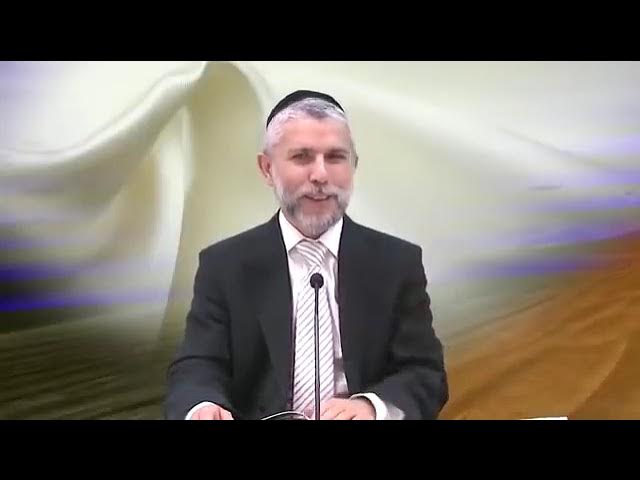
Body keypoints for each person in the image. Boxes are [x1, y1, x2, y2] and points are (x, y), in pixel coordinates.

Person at [165, 90, 448, 420]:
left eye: (336, 157)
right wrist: (203, 406)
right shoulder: (225, 265)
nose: (320, 175)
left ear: (354, 166)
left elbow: (424, 373)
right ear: (267, 168)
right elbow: (198, 365)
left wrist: (371, 408)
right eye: (302, 157)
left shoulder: (396, 264)